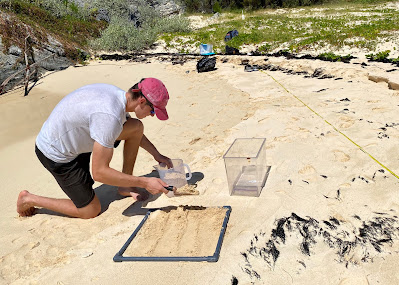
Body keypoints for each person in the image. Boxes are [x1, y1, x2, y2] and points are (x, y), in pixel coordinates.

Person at [17, 78, 173, 219]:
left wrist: (156, 155)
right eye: (153, 110)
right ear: (141, 101)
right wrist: (145, 182)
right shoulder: (109, 116)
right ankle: (29, 199)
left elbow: (134, 132)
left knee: (135, 127)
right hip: (56, 154)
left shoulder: (118, 97)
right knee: (90, 210)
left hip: (76, 139)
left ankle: (125, 186)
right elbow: (99, 173)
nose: (152, 115)